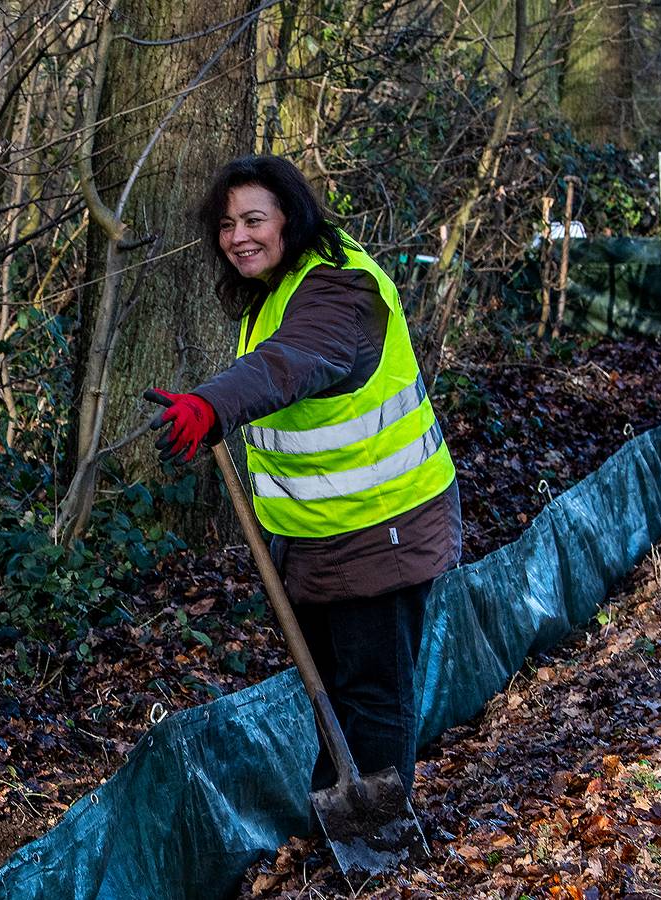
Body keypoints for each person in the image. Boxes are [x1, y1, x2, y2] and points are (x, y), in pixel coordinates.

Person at [144, 155, 462, 809]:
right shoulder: (274, 292)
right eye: (227, 225)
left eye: (254, 219)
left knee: (371, 694)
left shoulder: (339, 290)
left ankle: (378, 848)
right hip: (317, 538)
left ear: (292, 217)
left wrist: (212, 406)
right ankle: (338, 821)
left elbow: (290, 364)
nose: (239, 237)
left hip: (383, 526)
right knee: (331, 691)